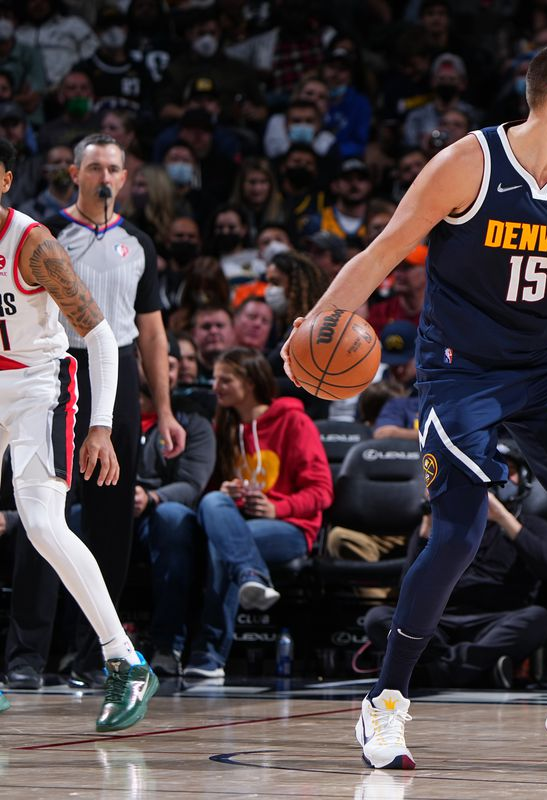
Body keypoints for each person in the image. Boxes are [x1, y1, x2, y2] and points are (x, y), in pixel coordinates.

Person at [282, 41, 547, 769]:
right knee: (456, 535)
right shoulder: (468, 163)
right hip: (462, 371)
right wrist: (314, 324)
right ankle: (385, 702)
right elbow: (382, 253)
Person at [6, 133, 186, 690]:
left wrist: (109, 425)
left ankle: (116, 660)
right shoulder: (53, 229)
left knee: (52, 522)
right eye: (94, 167)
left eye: (112, 168)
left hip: (50, 382)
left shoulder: (36, 242)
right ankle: (24, 658)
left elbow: (113, 335)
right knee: (37, 528)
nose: (104, 176)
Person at [183, 348, 333, 679]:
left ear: (249, 382)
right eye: (215, 379)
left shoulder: (294, 421)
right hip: (240, 524)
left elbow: (322, 492)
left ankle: (209, 655)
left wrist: (277, 507)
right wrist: (228, 492)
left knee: (224, 547)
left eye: (225, 380)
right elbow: (209, 495)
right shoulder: (223, 427)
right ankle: (252, 576)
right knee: (213, 503)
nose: (215, 387)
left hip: (290, 528)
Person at [361, 442, 547, 689]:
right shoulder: (446, 527)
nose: (495, 479)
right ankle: (472, 669)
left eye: (508, 471)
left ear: (524, 481)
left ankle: (433, 670)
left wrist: (502, 517)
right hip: (438, 623)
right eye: (486, 471)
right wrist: (430, 518)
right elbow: (408, 587)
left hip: (495, 621)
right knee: (377, 618)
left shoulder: (534, 525)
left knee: (538, 618)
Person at [133, 339, 216, 675]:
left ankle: (168, 645)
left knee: (172, 518)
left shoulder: (194, 420)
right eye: (153, 362)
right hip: (114, 509)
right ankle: (77, 648)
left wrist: (151, 497)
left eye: (170, 366)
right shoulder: (110, 414)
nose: (162, 372)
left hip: (160, 512)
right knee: (78, 517)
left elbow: (192, 484)